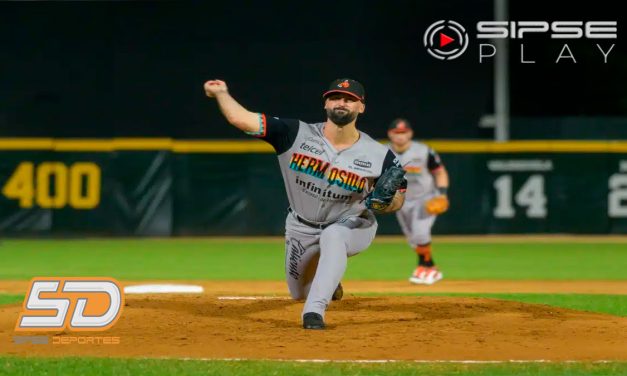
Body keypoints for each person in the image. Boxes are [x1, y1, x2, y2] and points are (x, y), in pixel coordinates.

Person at [204, 78, 407, 329]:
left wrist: (384, 204)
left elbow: (398, 198)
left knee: (334, 236)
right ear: (326, 103)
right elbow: (242, 119)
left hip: (353, 224)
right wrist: (222, 93)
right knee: (298, 293)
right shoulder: (294, 133)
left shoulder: (381, 155)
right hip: (301, 226)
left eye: (349, 99)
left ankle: (314, 312)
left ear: (361, 108)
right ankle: (328, 282)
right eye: (335, 97)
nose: (341, 102)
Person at [387, 118, 450, 285]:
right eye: (396, 133)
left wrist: (442, 194)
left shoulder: (423, 151)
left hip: (425, 197)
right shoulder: (383, 152)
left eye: (403, 132)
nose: (400, 136)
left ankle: (424, 266)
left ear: (410, 134)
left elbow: (440, 172)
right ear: (390, 134)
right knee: (412, 238)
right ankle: (431, 267)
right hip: (401, 200)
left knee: (420, 232)